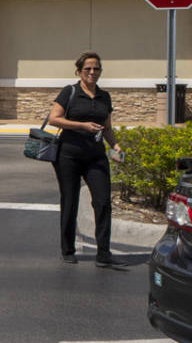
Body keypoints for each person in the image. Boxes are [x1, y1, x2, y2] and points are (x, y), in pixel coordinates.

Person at [48, 51, 126, 268]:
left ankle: (103, 253)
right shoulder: (69, 92)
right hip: (69, 155)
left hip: (96, 156)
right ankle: (67, 249)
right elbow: (54, 119)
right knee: (70, 201)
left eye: (96, 68)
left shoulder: (104, 96)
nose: (92, 72)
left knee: (102, 202)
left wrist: (115, 145)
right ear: (79, 71)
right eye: (88, 69)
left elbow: (107, 127)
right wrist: (82, 125)